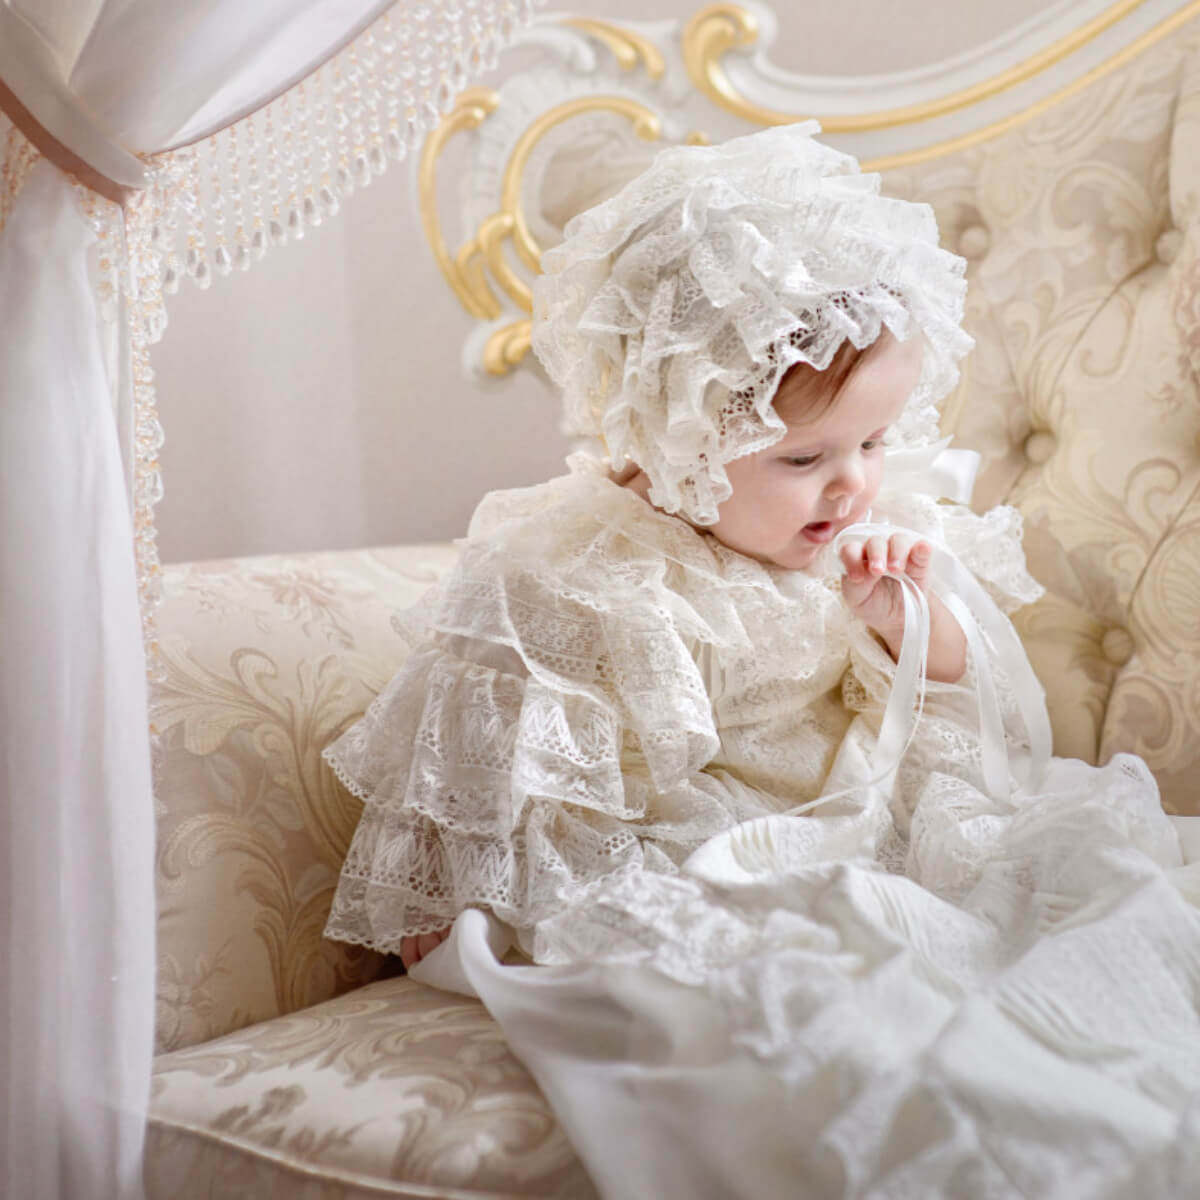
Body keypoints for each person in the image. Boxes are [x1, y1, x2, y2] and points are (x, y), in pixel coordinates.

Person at [323, 120, 1071, 971]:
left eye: (874, 442)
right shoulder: (583, 574)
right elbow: (485, 761)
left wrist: (905, 623)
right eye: (804, 457)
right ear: (683, 434)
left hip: (862, 818)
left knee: (1026, 896)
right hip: (703, 853)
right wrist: (462, 887)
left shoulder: (865, 537)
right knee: (714, 952)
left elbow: (963, 707)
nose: (852, 485)